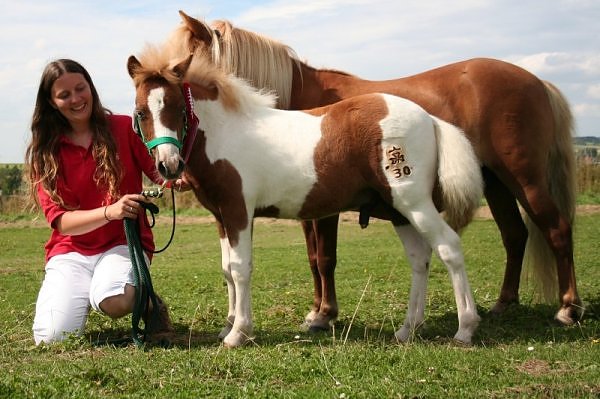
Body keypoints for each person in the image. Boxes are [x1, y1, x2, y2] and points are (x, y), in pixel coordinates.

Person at [25, 58, 179, 345]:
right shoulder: (45, 152)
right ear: (51, 102)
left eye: (80, 88)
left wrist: (178, 178)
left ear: (91, 88)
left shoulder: (124, 127)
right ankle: (79, 293)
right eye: (64, 94)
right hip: (70, 251)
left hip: (124, 243)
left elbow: (160, 174)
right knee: (51, 338)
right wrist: (111, 211)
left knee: (112, 301)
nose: (76, 99)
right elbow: (62, 223)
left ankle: (148, 303)